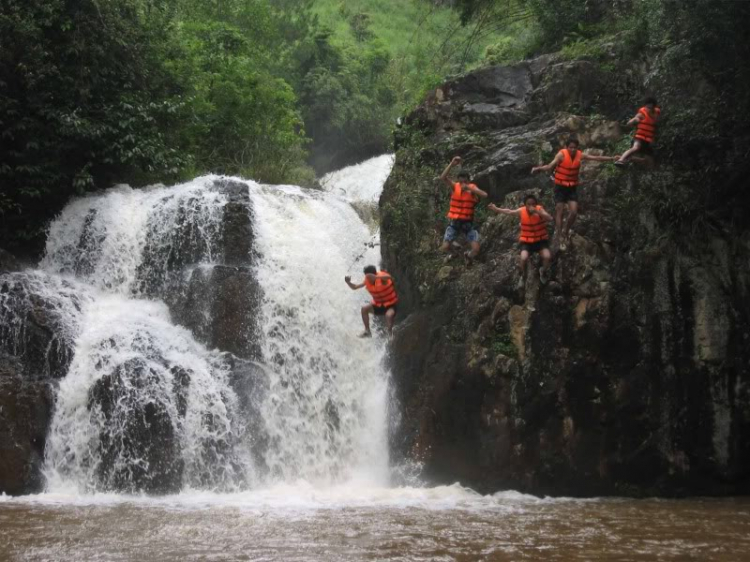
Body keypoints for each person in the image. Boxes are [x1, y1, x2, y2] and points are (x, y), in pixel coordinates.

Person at [531, 138, 616, 251]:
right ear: (567, 147)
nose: (572, 149)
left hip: (571, 188)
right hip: (560, 187)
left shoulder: (580, 155)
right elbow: (549, 166)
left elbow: (595, 158)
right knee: (560, 210)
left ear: (577, 148)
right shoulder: (561, 155)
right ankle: (560, 234)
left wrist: (611, 158)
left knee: (574, 211)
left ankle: (566, 230)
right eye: (570, 147)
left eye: (575, 147)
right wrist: (538, 168)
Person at [489, 194, 553, 289]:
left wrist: (538, 212)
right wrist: (497, 209)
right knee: (523, 257)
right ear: (525, 205)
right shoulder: (521, 211)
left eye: (533, 204)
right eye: (528, 204)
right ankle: (522, 276)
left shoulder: (539, 209)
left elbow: (549, 218)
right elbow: (510, 212)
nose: (531, 206)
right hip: (527, 241)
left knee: (547, 256)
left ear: (536, 204)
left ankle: (543, 271)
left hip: (540, 240)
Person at [439, 156, 488, 264]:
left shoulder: (472, 189)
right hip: (455, 222)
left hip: (468, 224)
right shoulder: (454, 187)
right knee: (445, 247)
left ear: (468, 181)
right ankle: (454, 253)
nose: (462, 184)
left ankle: (468, 256)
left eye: (464, 181)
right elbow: (442, 178)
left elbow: (484, 195)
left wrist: (470, 188)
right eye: (460, 181)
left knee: (476, 249)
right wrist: (452, 163)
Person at [345, 265, 398, 337]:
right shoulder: (367, 280)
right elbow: (355, 287)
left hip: (390, 306)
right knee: (364, 309)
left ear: (374, 274)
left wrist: (376, 277)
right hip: (378, 306)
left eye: (369, 276)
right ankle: (367, 331)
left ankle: (390, 334)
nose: (368, 278)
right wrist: (348, 282)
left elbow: (389, 277)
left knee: (388, 315)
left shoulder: (382, 278)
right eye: (366, 276)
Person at [615, 97, 661, 167]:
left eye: (650, 106)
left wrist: (654, 138)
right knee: (636, 148)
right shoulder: (641, 113)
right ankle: (621, 160)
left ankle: (651, 173)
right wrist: (634, 120)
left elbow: (656, 124)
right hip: (639, 137)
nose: (648, 108)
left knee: (650, 160)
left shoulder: (656, 113)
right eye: (647, 106)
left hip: (648, 140)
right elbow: (630, 122)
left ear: (653, 106)